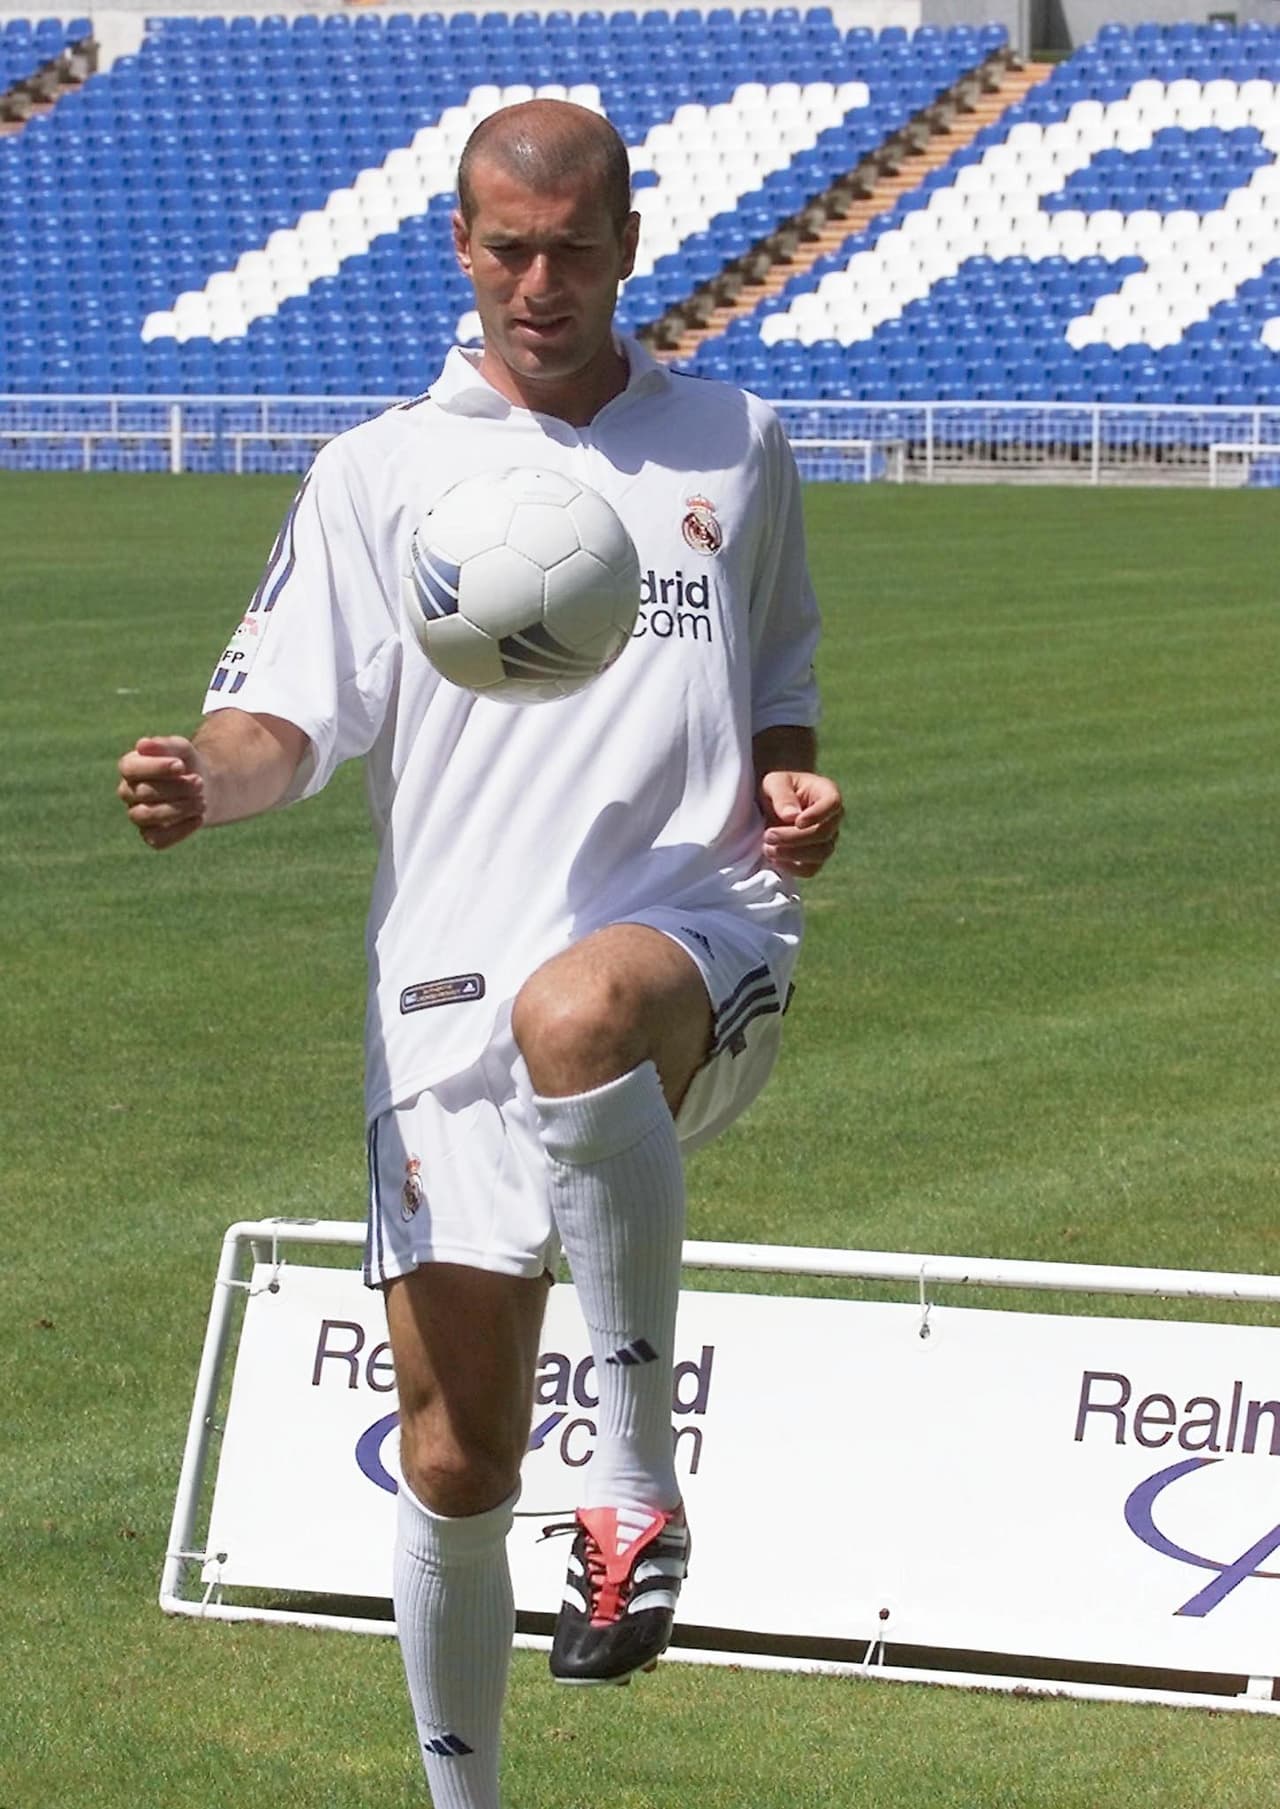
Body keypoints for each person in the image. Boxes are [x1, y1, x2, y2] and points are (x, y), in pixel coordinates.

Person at [118, 99, 842, 1809]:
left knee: (576, 1005)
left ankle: (644, 1486)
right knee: (455, 1458)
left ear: (627, 246)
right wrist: (198, 787)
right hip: (443, 1001)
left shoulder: (730, 439)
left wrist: (795, 788)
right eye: (506, 249)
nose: (538, 282)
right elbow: (284, 722)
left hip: (688, 944)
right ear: (461, 244)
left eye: (571, 250)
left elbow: (779, 680)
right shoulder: (379, 470)